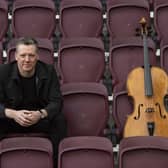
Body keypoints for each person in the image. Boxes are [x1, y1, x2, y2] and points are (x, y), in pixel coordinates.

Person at [0, 37, 67, 167]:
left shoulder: (48, 71)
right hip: (12, 119)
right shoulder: (3, 72)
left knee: (59, 120)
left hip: (38, 118)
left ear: (37, 56)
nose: (27, 59)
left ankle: (55, 164)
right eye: (23, 55)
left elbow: (57, 101)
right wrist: (13, 114)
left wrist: (41, 114)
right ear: (16, 56)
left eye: (31, 55)